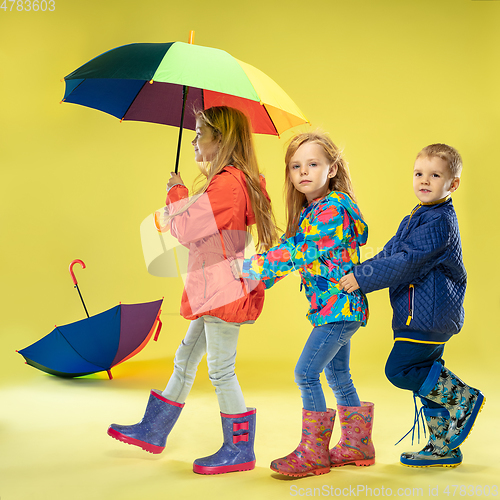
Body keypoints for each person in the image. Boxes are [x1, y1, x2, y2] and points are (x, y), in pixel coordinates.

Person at [108, 106, 279, 475]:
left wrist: (176, 192)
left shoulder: (228, 184)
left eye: (200, 133)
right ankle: (154, 430)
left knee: (220, 370)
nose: (194, 140)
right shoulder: (230, 180)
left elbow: (185, 228)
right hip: (214, 287)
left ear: (221, 139)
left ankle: (239, 450)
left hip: (222, 289)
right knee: (186, 359)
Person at [232, 132, 374, 478]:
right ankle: (357, 445)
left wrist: (248, 270)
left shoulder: (332, 210)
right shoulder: (314, 210)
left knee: (305, 373)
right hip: (336, 309)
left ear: (332, 168)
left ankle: (313, 453)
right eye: (296, 166)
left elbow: (297, 253)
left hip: (338, 310)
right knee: (338, 374)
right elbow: (289, 245)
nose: (303, 172)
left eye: (313, 164)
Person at [339, 143, 485, 468]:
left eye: (435, 175)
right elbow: (391, 251)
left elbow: (406, 262)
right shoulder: (418, 216)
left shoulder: (439, 223)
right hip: (419, 314)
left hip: (428, 316)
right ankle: (442, 446)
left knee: (400, 370)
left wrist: (362, 278)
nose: (424, 180)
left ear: (453, 184)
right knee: (427, 382)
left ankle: (462, 398)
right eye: (419, 173)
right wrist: (357, 271)